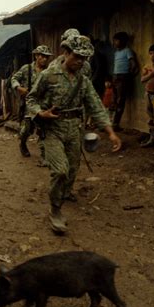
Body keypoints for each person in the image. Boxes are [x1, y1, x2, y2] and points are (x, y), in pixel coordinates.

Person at [26, 34, 122, 235]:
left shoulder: (83, 81)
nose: (80, 61)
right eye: (77, 56)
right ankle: (55, 210)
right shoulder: (48, 76)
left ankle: (64, 193)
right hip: (52, 129)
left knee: (72, 169)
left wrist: (110, 132)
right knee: (60, 170)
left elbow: (95, 105)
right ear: (66, 52)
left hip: (75, 129)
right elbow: (31, 98)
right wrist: (40, 113)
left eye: (84, 58)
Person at [11, 45, 53, 158]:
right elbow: (14, 78)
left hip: (43, 104)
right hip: (29, 104)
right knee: (27, 129)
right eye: (42, 56)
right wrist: (19, 88)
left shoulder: (49, 71)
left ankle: (44, 156)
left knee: (44, 130)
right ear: (36, 56)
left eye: (46, 57)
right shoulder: (27, 69)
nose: (44, 59)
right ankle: (23, 143)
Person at [111, 31, 137, 131]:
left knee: (120, 100)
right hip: (115, 77)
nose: (114, 43)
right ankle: (111, 122)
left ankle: (115, 124)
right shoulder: (116, 53)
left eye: (116, 41)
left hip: (123, 77)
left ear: (123, 41)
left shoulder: (127, 51)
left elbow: (133, 64)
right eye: (114, 41)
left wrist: (129, 76)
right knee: (113, 100)